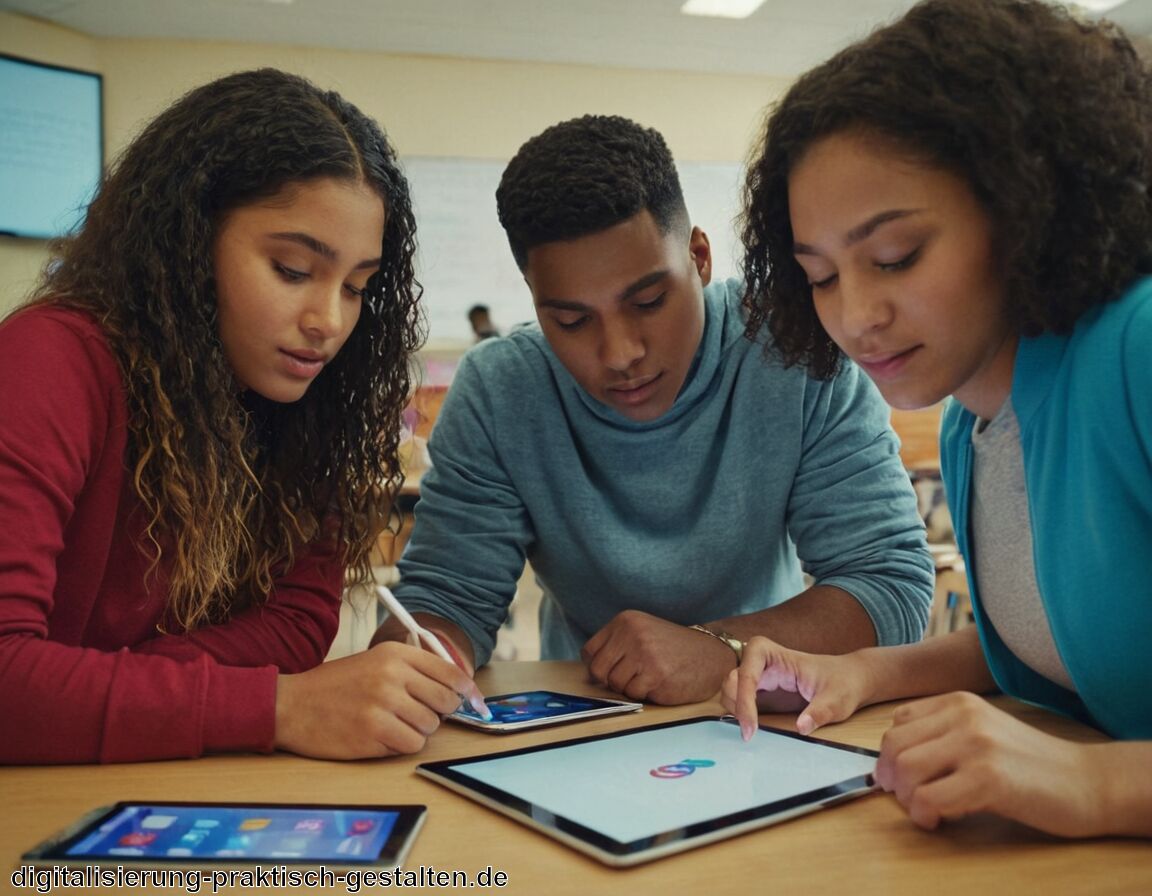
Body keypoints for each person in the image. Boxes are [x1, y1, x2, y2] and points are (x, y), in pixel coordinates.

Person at [730, 0, 1152, 839]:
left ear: (1023, 205)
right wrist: (856, 672)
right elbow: (1060, 642)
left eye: (895, 258)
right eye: (819, 276)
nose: (854, 316)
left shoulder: (1136, 347)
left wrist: (1093, 781)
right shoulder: (972, 421)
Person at [0, 68, 483, 765]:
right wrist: (276, 705)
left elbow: (296, 622)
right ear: (188, 242)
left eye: (357, 287)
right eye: (291, 270)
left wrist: (102, 689)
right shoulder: (47, 363)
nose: (328, 321)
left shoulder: (307, 403)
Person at [372, 114, 933, 705]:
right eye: (570, 321)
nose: (620, 354)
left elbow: (889, 585)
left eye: (648, 300)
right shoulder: (501, 389)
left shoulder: (798, 354)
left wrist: (719, 647)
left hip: (771, 716)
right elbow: (449, 599)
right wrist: (411, 662)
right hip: (588, 721)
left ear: (699, 256)